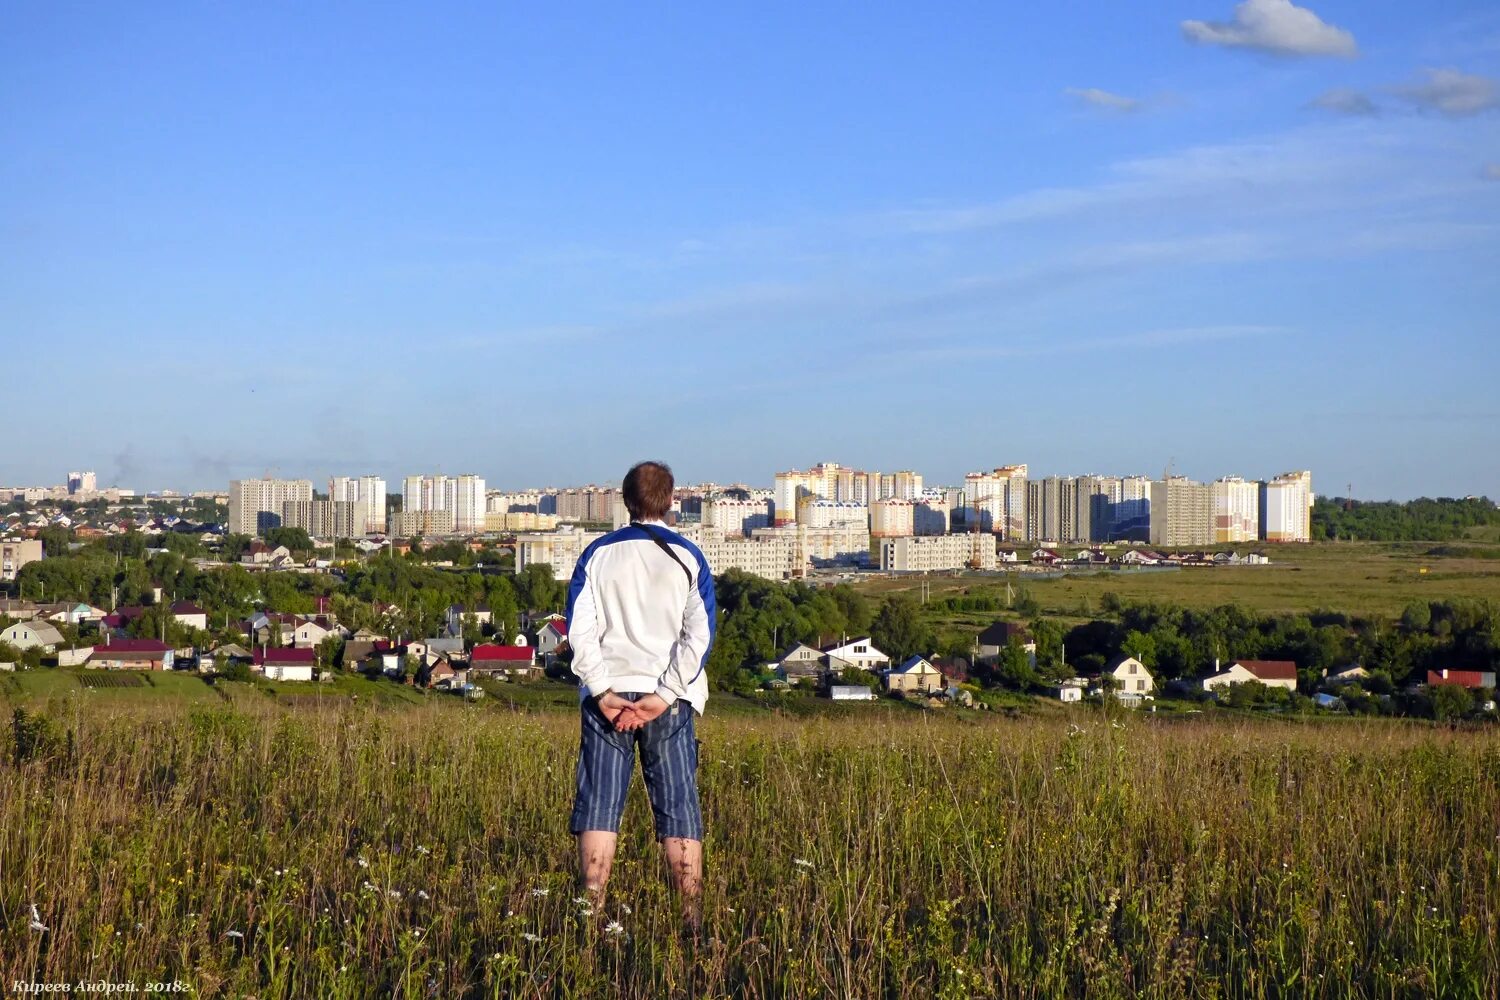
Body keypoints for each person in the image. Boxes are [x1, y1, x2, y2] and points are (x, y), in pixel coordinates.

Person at [565, 460, 715, 929]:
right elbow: (700, 636)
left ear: (625, 502)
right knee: (678, 807)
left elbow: (579, 632)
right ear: (671, 501)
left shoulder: (597, 555)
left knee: (600, 806)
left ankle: (591, 917)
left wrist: (603, 691)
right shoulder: (689, 556)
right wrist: (666, 694)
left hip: (606, 698)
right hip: (666, 701)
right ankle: (689, 918)